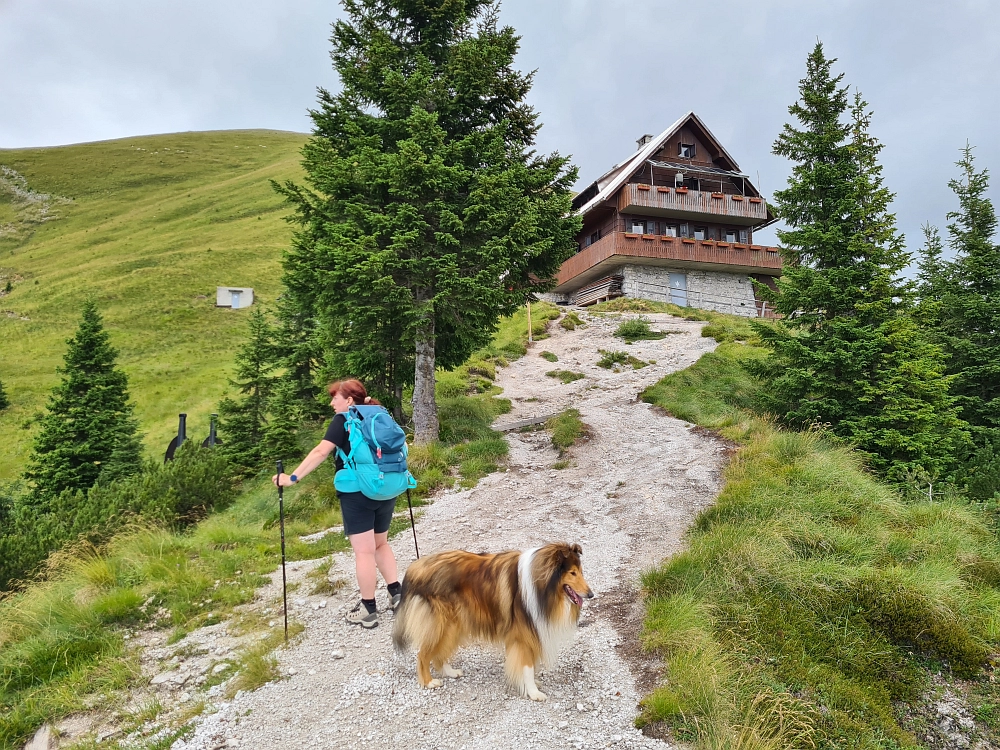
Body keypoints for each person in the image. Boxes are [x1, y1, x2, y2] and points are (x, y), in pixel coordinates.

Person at [273, 379, 401, 629]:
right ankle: (397, 594)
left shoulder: (344, 420)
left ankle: (368, 608)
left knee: (364, 551)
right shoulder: (380, 414)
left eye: (335, 398)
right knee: (381, 544)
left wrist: (292, 478)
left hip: (357, 492)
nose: (332, 403)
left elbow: (320, 452)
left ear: (349, 400)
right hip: (386, 487)